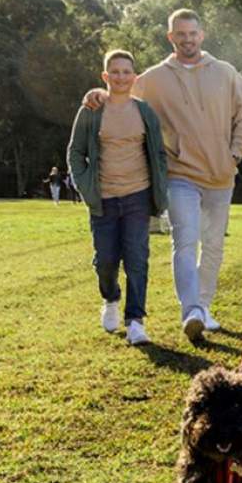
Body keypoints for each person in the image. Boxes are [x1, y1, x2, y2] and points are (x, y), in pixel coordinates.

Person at [83, 9, 242, 342]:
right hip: (180, 174)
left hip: (221, 174)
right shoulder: (154, 77)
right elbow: (122, 93)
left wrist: (236, 152)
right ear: (171, 37)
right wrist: (99, 94)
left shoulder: (225, 73)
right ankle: (191, 310)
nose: (187, 39)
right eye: (181, 34)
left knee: (214, 246)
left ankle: (204, 306)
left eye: (192, 33)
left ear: (202, 35)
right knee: (185, 241)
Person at [67, 50, 170, 345]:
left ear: (134, 77)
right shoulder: (91, 109)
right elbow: (75, 152)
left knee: (137, 259)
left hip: (138, 196)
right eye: (115, 72)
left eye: (127, 72)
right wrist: (85, 187)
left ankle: (135, 320)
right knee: (106, 261)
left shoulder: (145, 111)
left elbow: (159, 154)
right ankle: (111, 299)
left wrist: (157, 189)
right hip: (104, 198)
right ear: (105, 76)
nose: (121, 77)